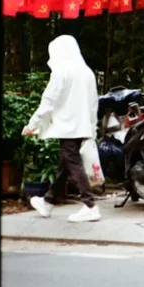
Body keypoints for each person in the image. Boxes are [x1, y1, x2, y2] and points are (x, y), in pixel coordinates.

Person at [23, 35, 101, 222]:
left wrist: (33, 124)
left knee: (72, 162)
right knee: (65, 164)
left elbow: (49, 100)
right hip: (82, 126)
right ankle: (48, 201)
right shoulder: (87, 72)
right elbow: (93, 103)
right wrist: (92, 128)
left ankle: (90, 205)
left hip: (67, 126)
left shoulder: (62, 72)